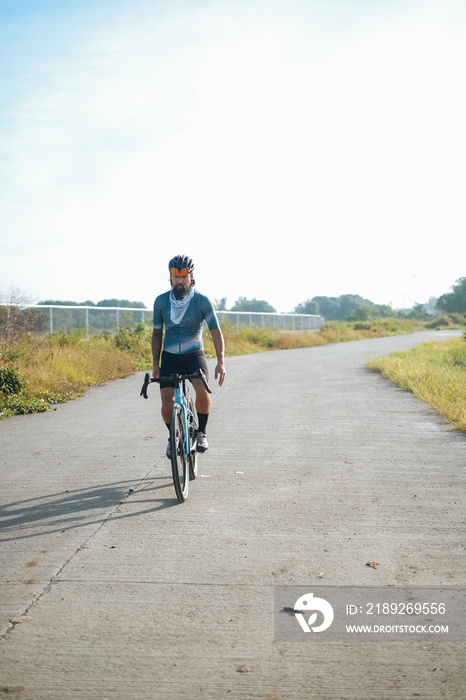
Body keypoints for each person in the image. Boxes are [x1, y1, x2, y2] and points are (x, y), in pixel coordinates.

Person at [152, 254, 226, 457]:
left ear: (192, 276)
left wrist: (221, 362)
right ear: (170, 277)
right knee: (167, 401)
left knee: (201, 388)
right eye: (176, 275)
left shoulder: (202, 301)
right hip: (169, 357)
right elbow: (157, 334)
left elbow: (216, 333)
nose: (180, 280)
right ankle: (172, 437)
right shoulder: (160, 302)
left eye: (184, 275)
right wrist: (155, 364)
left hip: (194, 354)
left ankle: (201, 432)